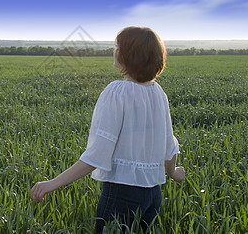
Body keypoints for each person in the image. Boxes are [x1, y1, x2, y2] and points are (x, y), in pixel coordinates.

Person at [31, 26, 186, 233]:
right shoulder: (158, 93)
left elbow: (98, 153)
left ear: (129, 55)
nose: (114, 51)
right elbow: (169, 143)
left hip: (121, 194)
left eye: (117, 47)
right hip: (153, 194)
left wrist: (52, 183)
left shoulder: (117, 92)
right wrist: (173, 172)